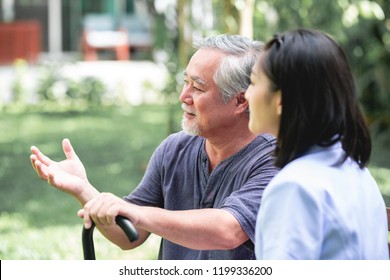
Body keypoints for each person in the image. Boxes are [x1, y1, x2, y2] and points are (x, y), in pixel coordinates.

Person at [30, 34, 279, 260]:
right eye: (186, 82)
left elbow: (229, 230)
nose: (184, 96)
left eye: (198, 87)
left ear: (239, 101)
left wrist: (138, 214)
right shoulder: (174, 149)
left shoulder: (275, 159)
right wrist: (84, 190)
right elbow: (130, 233)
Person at [245, 28, 389, 259]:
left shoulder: (294, 187)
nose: (246, 95)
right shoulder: (359, 174)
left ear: (281, 99)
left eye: (252, 82)